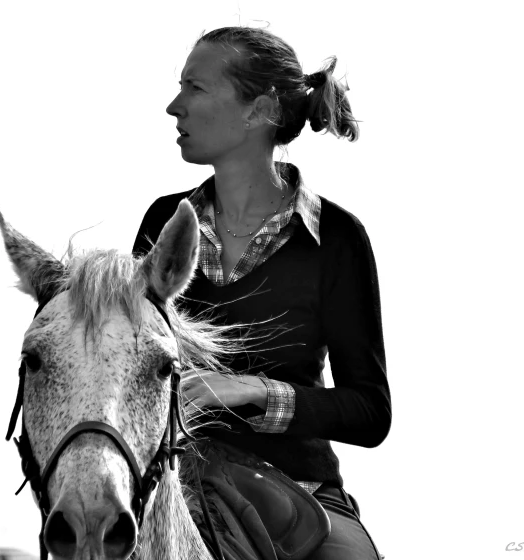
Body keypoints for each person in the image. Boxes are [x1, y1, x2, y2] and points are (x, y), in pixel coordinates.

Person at [132, 26, 390, 560]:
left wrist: (252, 391)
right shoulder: (164, 220)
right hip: (172, 484)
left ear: (259, 110)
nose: (173, 107)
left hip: (302, 491)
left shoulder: (337, 239)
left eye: (195, 88)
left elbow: (370, 411)